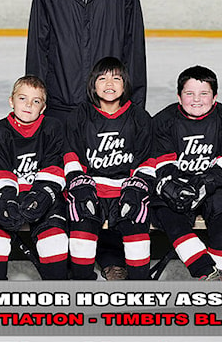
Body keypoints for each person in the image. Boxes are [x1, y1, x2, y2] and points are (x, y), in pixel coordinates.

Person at [150, 65, 222, 280]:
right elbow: (162, 161)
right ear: (178, 96)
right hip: (180, 184)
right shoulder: (163, 121)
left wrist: (204, 183)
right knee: (167, 210)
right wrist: (172, 187)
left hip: (217, 186)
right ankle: (204, 269)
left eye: (204, 93)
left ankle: (220, 279)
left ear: (215, 97)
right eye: (189, 93)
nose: (196, 99)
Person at [62, 57, 155, 280]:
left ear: (125, 84)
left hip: (126, 189)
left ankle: (140, 289)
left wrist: (137, 188)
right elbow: (71, 154)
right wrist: (79, 184)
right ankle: (81, 286)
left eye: (116, 78)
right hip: (92, 188)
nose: (109, 84)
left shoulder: (139, 117)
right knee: (81, 223)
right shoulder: (80, 115)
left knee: (136, 222)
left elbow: (147, 160)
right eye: (102, 78)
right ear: (93, 84)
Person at [0, 75, 69, 280]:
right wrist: (5, 199)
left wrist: (42, 197)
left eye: (35, 101)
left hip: (44, 195)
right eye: (22, 98)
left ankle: (59, 295)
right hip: (9, 195)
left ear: (43, 107)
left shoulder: (52, 128)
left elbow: (54, 167)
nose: (28, 105)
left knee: (54, 240)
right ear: (11, 101)